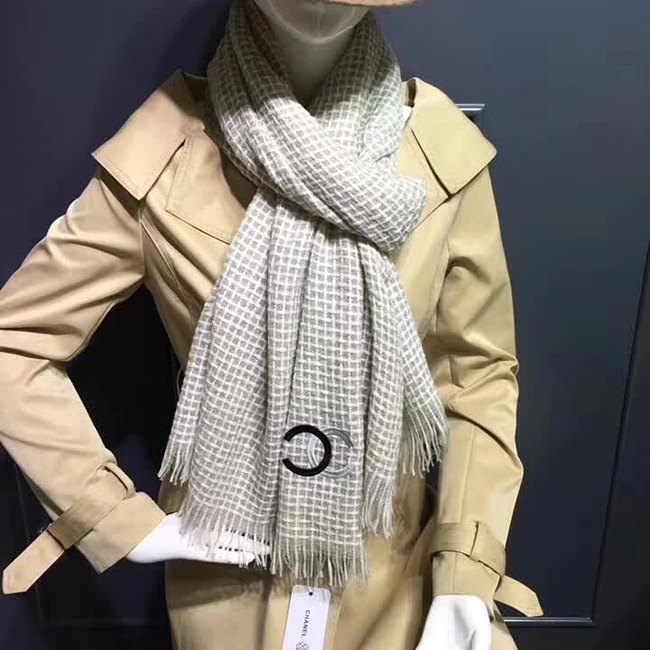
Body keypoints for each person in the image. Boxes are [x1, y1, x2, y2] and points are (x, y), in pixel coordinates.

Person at [0, 0, 542, 648]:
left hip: (398, 579)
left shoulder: (434, 153)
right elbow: (15, 342)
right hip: (227, 572)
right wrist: (115, 519)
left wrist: (464, 570)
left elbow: (478, 374)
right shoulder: (171, 153)